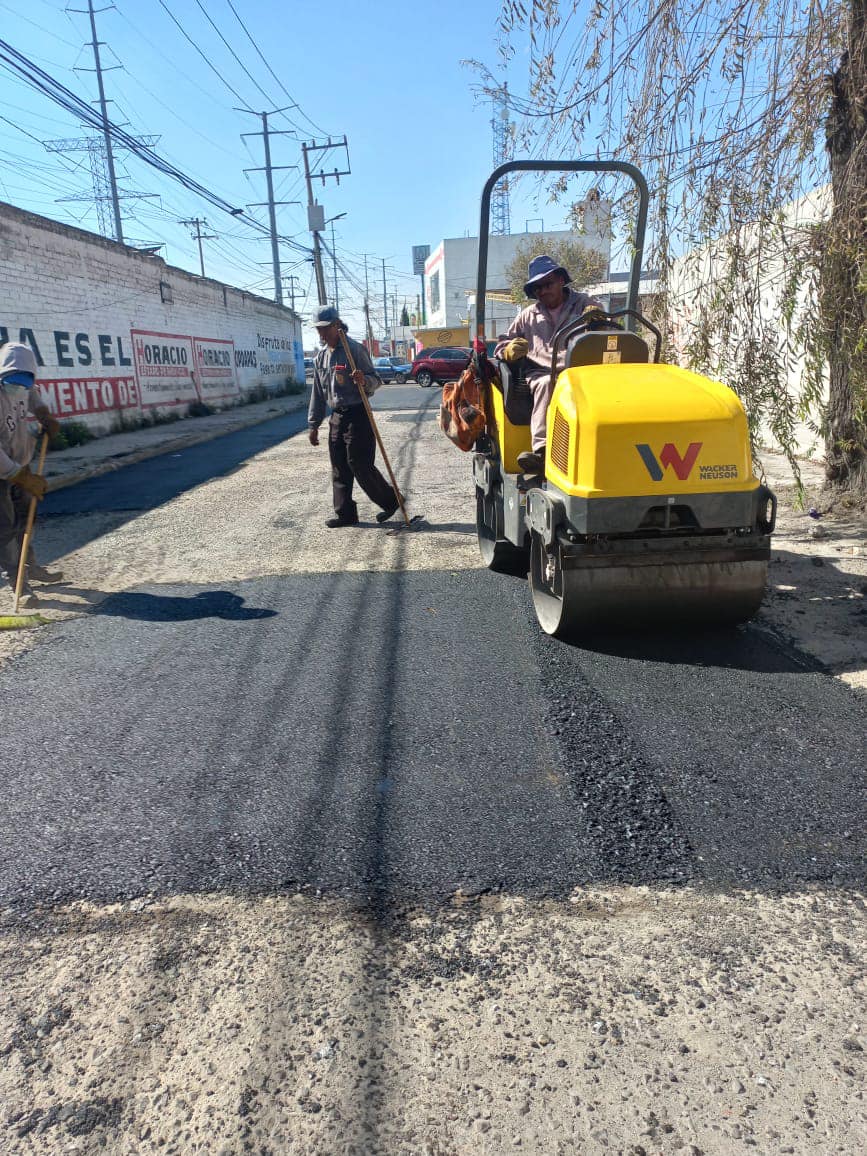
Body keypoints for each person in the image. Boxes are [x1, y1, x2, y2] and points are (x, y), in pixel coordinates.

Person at [495, 254, 603, 474]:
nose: (543, 291)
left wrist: (600, 319)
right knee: (547, 384)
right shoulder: (528, 316)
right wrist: (508, 350)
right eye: (538, 288)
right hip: (543, 373)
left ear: (561, 280)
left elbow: (611, 330)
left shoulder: (584, 304)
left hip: (581, 373)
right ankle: (543, 453)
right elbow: (500, 345)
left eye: (548, 284)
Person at [307, 305, 401, 528]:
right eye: (318, 329)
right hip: (336, 417)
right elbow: (318, 394)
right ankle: (345, 514)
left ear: (337, 325)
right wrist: (313, 424)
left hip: (358, 413)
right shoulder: (321, 358)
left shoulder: (354, 350)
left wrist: (364, 380)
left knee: (358, 462)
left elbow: (375, 379)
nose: (321, 333)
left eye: (325, 328)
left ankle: (391, 501)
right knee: (339, 465)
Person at [0, 343, 61, 607]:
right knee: (5, 530)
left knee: (27, 519)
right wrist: (19, 476)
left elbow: (33, 397)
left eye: (25, 381)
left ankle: (32, 567)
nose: (19, 387)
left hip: (20, 463)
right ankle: (18, 585)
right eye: (13, 381)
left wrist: (44, 414)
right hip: (2, 473)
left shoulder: (25, 386)